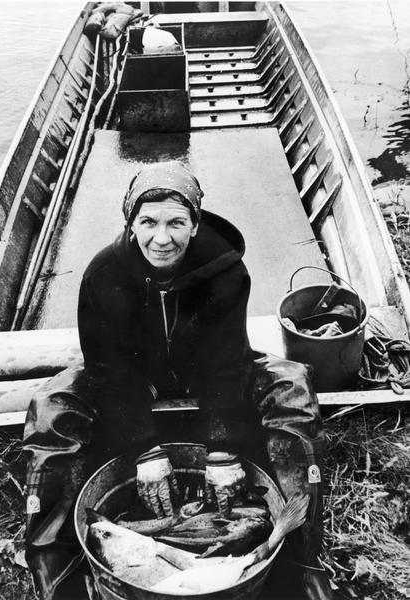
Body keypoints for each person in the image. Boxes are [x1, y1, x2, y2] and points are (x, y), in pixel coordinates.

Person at [23, 161, 338, 600]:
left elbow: (227, 360)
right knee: (53, 404)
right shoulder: (103, 275)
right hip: (134, 378)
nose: (162, 237)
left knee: (293, 385)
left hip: (206, 372)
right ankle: (57, 574)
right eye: (148, 222)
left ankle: (302, 561)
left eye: (177, 222)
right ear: (131, 223)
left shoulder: (227, 269)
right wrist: (143, 449)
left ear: (195, 224)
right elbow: (108, 369)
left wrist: (224, 447)